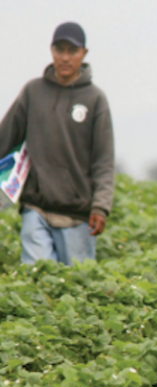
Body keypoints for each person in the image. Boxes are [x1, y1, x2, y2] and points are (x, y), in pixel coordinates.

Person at [0, 22, 115, 266]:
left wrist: (101, 207)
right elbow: (5, 137)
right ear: (51, 51)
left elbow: (104, 161)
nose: (65, 57)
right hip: (36, 207)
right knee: (37, 279)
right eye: (59, 50)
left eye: (72, 51)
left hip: (77, 214)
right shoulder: (33, 92)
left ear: (83, 54)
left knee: (74, 287)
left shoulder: (95, 99)